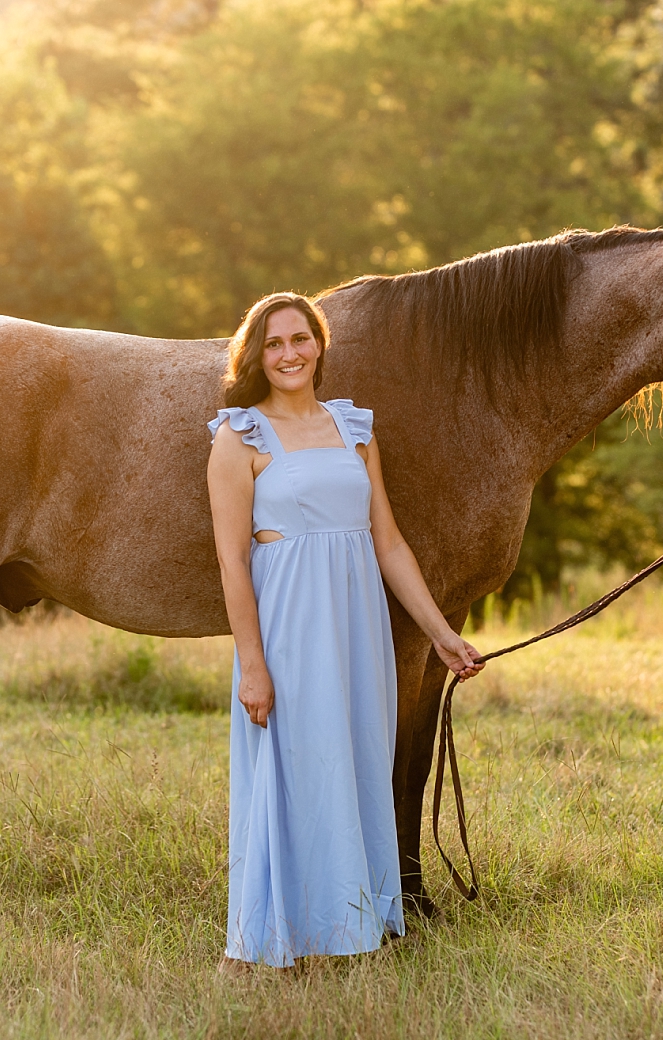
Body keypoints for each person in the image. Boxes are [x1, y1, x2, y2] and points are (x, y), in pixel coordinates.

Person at [207, 291, 483, 970]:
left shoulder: (353, 427)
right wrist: (252, 663)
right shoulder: (237, 435)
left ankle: (354, 925)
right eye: (273, 344)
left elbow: (388, 543)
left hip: (357, 627)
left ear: (320, 344)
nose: (289, 354)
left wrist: (441, 632)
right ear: (255, 355)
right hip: (289, 625)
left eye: (300, 339)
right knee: (298, 765)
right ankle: (286, 933)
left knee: (355, 762)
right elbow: (232, 559)